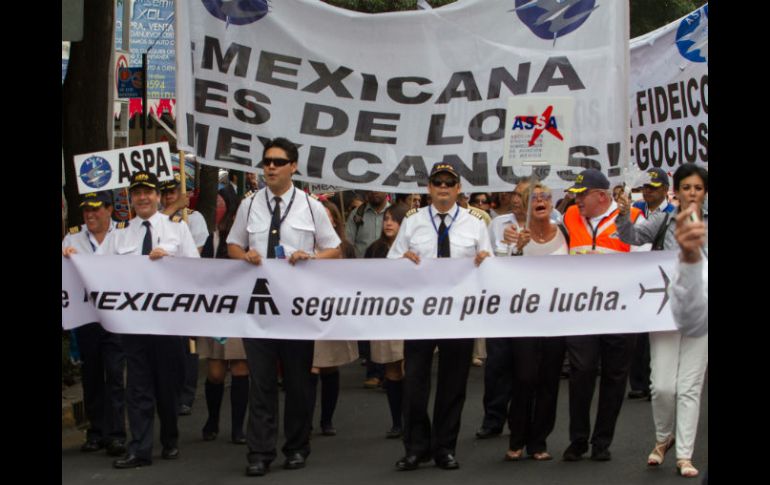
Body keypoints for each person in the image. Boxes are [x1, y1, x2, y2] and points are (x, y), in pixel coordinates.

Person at [227, 137, 341, 477]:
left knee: (297, 382)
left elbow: (334, 248)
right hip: (260, 307)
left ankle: (295, 446)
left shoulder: (310, 207)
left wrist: (311, 257)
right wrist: (244, 255)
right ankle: (259, 452)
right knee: (261, 383)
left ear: (293, 166)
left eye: (278, 162)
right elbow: (233, 243)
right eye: (266, 162)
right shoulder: (249, 204)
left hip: (296, 309)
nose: (271, 167)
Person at [388, 161, 492, 471]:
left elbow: (489, 266)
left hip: (459, 315)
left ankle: (445, 447)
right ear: (429, 188)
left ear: (459, 189)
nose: (443, 187)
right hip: (420, 313)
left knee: (453, 383)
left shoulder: (475, 224)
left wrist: (485, 261)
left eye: (449, 183)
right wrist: (403, 259)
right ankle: (415, 447)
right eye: (437, 183)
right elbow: (392, 262)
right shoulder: (413, 221)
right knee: (415, 383)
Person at [101, 171, 201, 469]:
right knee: (138, 386)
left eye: (148, 192)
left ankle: (170, 437)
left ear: (158, 197)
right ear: (131, 198)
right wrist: (72, 257)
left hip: (167, 321)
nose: (143, 198)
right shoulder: (119, 232)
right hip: (134, 322)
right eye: (137, 193)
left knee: (166, 385)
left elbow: (195, 270)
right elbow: (100, 269)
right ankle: (139, 448)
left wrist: (170, 263)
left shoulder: (176, 229)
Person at [617, 165, 708, 478]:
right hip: (664, 310)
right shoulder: (664, 218)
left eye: (698, 188)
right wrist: (624, 213)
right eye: (686, 187)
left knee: (690, 387)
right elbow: (629, 235)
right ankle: (663, 437)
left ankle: (684, 454)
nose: (692, 193)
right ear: (677, 191)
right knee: (663, 387)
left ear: (704, 192)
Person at [559, 168, 643, 462]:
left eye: (582, 195)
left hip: (621, 311)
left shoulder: (631, 218)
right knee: (581, 372)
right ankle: (578, 439)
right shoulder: (569, 216)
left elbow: (645, 262)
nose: (577, 200)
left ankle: (602, 441)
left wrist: (609, 265)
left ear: (602, 196)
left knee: (615, 376)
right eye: (576, 195)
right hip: (583, 310)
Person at [498, 183, 567, 462]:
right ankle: (517, 437)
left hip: (556, 317)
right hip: (523, 318)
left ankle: (539, 441)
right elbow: (501, 273)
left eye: (545, 197)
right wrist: (516, 250)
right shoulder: (514, 235)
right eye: (534, 198)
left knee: (549, 379)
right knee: (525, 376)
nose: (541, 201)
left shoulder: (563, 234)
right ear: (525, 205)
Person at [62, 191, 127, 457]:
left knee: (114, 374)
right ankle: (96, 431)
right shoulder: (73, 238)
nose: (90, 214)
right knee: (91, 376)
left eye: (96, 209)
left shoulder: (123, 235)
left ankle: (116, 434)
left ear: (109, 209)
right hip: (87, 317)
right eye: (86, 210)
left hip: (115, 317)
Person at [476, 180, 531, 441]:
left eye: (522, 195)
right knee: (496, 364)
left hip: (531, 307)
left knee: (525, 368)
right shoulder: (498, 223)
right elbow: (486, 256)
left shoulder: (548, 222)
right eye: (514, 194)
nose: (516, 199)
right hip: (501, 303)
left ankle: (522, 421)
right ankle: (493, 418)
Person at [197, 207, 250, 445]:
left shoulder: (250, 236)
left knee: (240, 368)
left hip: (242, 308)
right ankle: (213, 419)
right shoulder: (214, 237)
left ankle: (238, 427)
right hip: (218, 308)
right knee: (216, 372)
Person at [159, 173, 210, 416]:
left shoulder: (195, 219)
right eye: (165, 193)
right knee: (169, 345)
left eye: (173, 192)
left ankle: (186, 394)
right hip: (162, 290)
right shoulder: (156, 219)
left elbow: (195, 254)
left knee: (188, 345)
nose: (169, 196)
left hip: (187, 287)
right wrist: (172, 210)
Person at [308, 200, 359, 437]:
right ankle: (305, 419)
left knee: (329, 367)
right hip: (307, 313)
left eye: (327, 216)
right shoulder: (304, 246)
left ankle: (326, 419)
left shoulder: (345, 248)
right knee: (311, 367)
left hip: (332, 313)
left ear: (336, 221)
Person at [364, 203, 409, 439]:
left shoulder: (414, 249)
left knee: (408, 367)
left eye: (395, 219)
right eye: (387, 219)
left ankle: (411, 417)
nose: (388, 223)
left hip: (409, 315)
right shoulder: (375, 249)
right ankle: (397, 421)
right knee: (392, 368)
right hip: (384, 315)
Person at [345, 190, 390, 388]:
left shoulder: (397, 213)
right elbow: (348, 241)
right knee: (372, 323)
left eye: (378, 188)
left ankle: (392, 370)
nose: (375, 192)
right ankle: (374, 371)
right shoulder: (358, 214)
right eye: (371, 189)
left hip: (392, 275)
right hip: (364, 274)